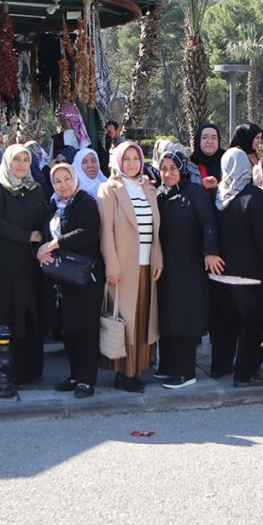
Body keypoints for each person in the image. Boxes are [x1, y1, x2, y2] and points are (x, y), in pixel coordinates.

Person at [210, 148, 263, 386]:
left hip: (219, 275)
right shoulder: (254, 196)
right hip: (249, 276)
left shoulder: (217, 196)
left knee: (223, 326)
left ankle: (220, 367)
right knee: (251, 327)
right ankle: (245, 374)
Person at [98, 141, 163, 393]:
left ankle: (138, 368)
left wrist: (158, 259)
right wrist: (111, 265)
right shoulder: (109, 189)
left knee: (143, 319)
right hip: (123, 266)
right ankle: (124, 373)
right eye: (127, 159)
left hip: (147, 264)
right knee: (125, 319)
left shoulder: (148, 188)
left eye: (136, 158)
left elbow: (155, 230)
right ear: (118, 161)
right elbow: (106, 231)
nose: (133, 163)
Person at [36, 163, 105, 398]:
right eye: (57, 181)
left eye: (67, 179)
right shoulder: (56, 206)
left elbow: (88, 232)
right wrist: (43, 251)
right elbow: (45, 235)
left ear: (75, 178)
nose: (63, 184)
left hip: (85, 277)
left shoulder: (85, 202)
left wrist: (55, 244)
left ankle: (87, 380)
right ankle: (75, 375)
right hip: (63, 279)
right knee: (69, 330)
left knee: (85, 329)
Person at [155, 150, 222, 389]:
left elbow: (209, 223)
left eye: (173, 168)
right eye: (164, 168)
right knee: (168, 316)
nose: (168, 173)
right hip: (166, 267)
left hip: (189, 265)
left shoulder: (193, 192)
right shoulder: (160, 194)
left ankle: (185, 371)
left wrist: (210, 251)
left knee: (185, 316)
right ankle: (169, 367)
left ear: (182, 169)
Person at [0, 144, 51, 385]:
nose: (22, 164)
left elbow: (45, 219)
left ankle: (32, 369)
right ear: (7, 162)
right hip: (6, 265)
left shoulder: (34, 189)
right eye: (17, 160)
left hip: (32, 263)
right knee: (9, 313)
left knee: (31, 314)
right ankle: (7, 369)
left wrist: (42, 243)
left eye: (25, 159)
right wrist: (25, 236)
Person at [191, 123, 224, 191]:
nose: (209, 141)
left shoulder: (227, 161)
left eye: (214, 138)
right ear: (198, 140)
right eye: (205, 137)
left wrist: (218, 185)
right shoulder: (190, 164)